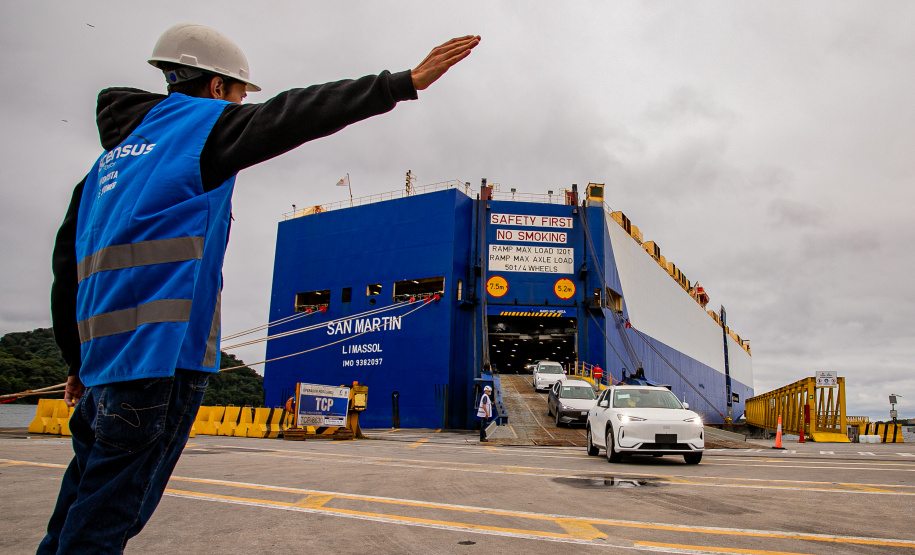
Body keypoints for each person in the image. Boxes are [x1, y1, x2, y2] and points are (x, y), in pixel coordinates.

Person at [40, 23, 480, 554]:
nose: (244, 106)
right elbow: (295, 113)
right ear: (217, 87)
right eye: (241, 95)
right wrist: (401, 83)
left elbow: (67, 271)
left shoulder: (102, 170)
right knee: (104, 526)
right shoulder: (200, 130)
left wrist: (74, 363)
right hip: (159, 365)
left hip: (101, 371)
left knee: (73, 517)